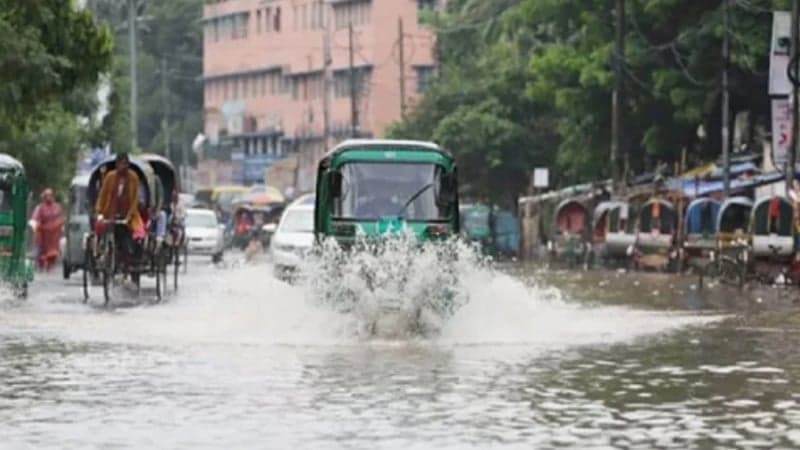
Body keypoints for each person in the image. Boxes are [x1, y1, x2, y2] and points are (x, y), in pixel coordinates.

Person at [95, 153, 145, 261]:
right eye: (121, 164)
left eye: (125, 164)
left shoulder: (133, 177)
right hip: (109, 213)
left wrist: (128, 216)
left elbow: (135, 199)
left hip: (128, 214)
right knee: (99, 227)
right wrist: (99, 212)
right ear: (117, 164)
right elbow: (102, 195)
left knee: (135, 235)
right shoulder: (110, 177)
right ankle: (100, 250)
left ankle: (130, 258)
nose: (123, 166)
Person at [30, 188, 63, 271]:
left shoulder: (57, 207)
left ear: (53, 196)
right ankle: (41, 265)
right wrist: (37, 225)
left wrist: (59, 225)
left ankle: (50, 265)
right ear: (44, 197)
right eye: (47, 195)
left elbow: (60, 219)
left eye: (50, 195)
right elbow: (35, 219)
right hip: (43, 233)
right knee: (40, 250)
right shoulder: (40, 207)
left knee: (53, 253)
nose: (49, 197)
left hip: (54, 234)